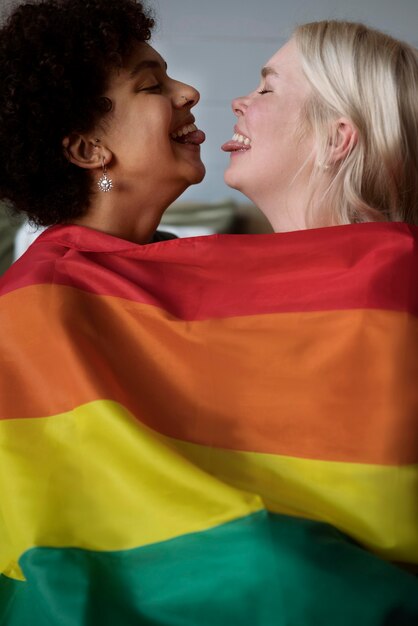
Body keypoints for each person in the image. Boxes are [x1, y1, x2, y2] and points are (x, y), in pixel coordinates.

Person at [0, 6, 417, 624]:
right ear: (90, 149)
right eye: (151, 85)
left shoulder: (199, 268)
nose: (192, 93)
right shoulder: (46, 295)